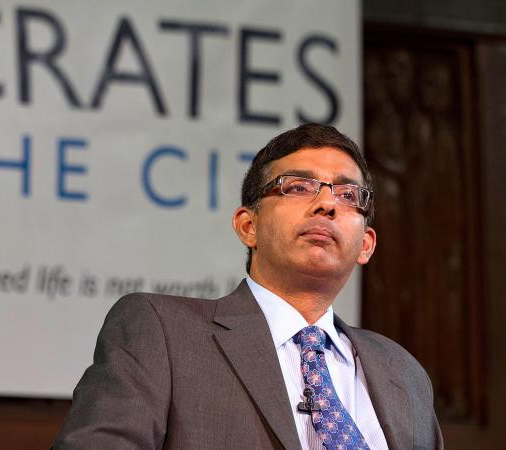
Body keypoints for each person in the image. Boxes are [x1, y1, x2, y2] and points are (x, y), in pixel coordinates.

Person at [53, 124, 443, 449]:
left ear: (366, 245)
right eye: (298, 187)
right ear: (248, 225)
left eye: (347, 194)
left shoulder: (403, 373)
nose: (327, 204)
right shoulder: (162, 331)